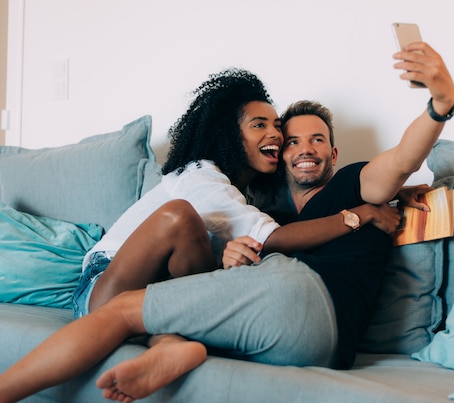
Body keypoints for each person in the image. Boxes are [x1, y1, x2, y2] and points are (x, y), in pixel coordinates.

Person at [0, 40, 454, 403]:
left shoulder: (355, 181)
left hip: (303, 307)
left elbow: (400, 160)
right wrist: (234, 258)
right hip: (236, 311)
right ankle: (169, 342)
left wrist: (438, 105)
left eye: (316, 138)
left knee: (158, 268)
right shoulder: (250, 203)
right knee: (181, 239)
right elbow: (265, 243)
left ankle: (164, 340)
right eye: (285, 136)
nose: (294, 144)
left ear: (335, 154)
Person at [77, 68, 394, 317]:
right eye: (259, 125)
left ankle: (169, 340)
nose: (274, 133)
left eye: (276, 126)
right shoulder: (201, 176)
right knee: (181, 218)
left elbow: (320, 198)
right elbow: (274, 238)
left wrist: (394, 195)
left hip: (155, 294)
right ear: (230, 135)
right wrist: (361, 215)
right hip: (104, 287)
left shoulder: (246, 196)